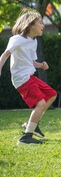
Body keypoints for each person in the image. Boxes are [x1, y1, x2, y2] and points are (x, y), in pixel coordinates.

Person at [0, 11, 57, 145]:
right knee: (41, 103)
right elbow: (5, 55)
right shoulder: (17, 39)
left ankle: (32, 124)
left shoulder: (34, 41)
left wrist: (41, 65)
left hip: (29, 75)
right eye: (40, 22)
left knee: (51, 94)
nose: (43, 25)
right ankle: (26, 138)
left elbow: (31, 61)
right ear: (31, 25)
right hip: (21, 78)